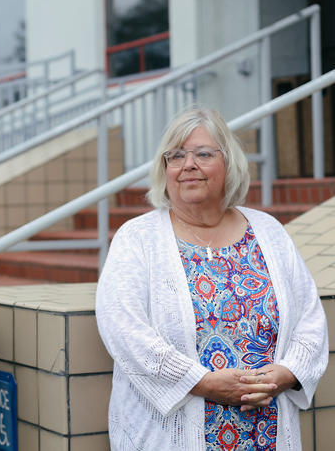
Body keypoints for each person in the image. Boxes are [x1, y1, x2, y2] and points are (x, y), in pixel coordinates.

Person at [95, 106, 328, 450]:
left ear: (229, 163)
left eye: (203, 153)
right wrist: (199, 382)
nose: (188, 164)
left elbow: (309, 317)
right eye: (175, 156)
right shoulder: (138, 238)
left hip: (266, 435)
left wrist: (289, 372)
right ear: (165, 170)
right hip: (168, 437)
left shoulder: (268, 231)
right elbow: (123, 328)